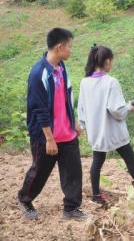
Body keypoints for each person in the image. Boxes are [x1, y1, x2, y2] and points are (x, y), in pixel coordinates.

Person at [18, 28, 86, 220]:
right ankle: (24, 198)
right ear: (59, 47)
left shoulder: (61, 67)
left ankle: (71, 208)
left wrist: (74, 123)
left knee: (73, 172)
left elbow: (66, 97)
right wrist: (49, 138)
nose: (71, 50)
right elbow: (38, 108)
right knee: (39, 171)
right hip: (46, 136)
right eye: (69, 47)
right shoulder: (38, 73)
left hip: (67, 133)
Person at [78, 45, 134, 205]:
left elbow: (81, 109)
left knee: (97, 161)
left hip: (96, 130)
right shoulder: (111, 82)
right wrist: (129, 107)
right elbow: (117, 110)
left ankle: (96, 195)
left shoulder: (85, 82)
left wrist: (85, 126)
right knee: (130, 159)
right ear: (107, 61)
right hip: (112, 130)